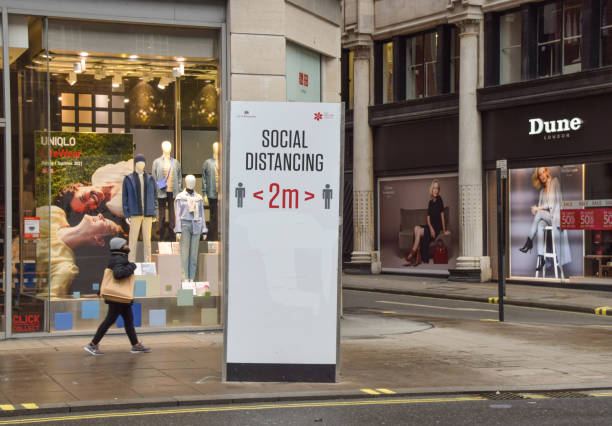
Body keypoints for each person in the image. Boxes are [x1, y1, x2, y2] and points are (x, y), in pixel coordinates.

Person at [84, 237, 151, 356]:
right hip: (118, 297)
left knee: (128, 321)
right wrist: (132, 266)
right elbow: (118, 274)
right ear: (120, 246)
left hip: (120, 297)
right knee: (110, 320)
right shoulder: (119, 259)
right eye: (125, 244)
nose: (127, 246)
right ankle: (93, 344)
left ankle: (135, 345)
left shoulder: (118, 257)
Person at [36, 206, 123, 297]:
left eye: (105, 222)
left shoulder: (64, 269)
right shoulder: (55, 214)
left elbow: (44, 303)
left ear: (99, 240)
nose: (100, 215)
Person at [518, 167, 571, 272]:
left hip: (555, 218)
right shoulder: (542, 191)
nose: (542, 176)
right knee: (540, 225)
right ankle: (541, 257)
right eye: (539, 174)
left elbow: (550, 205)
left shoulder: (555, 182)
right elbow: (540, 209)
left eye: (543, 172)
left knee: (540, 214)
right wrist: (535, 210)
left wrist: (537, 209)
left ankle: (529, 241)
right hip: (547, 218)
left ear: (547, 172)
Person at [404, 179, 451, 266]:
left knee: (418, 231)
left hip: (436, 228)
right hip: (430, 227)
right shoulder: (430, 202)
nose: (435, 190)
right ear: (431, 189)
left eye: (437, 188)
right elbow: (428, 218)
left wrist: (444, 231)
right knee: (416, 228)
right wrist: (430, 228)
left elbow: (442, 216)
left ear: (438, 190)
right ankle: (416, 254)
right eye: (434, 188)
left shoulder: (440, 200)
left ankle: (413, 254)